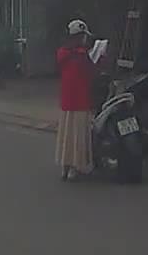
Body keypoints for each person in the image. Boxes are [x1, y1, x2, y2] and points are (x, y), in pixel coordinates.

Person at [56, 19, 97, 181]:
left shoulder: (66, 53)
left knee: (67, 136)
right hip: (79, 101)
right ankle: (73, 166)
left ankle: (67, 167)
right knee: (77, 136)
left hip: (70, 101)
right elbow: (90, 70)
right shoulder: (78, 54)